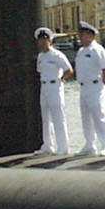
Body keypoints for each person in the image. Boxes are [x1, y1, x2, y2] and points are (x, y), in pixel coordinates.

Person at [73, 21, 105, 156]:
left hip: (95, 86)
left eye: (82, 34)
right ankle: (90, 144)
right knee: (86, 117)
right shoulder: (81, 51)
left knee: (99, 116)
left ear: (90, 35)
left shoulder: (98, 49)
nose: (80, 37)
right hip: (84, 86)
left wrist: (101, 84)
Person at [33, 27, 73, 156]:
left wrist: (60, 80)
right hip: (44, 87)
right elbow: (40, 71)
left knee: (58, 117)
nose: (43, 42)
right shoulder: (40, 56)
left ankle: (63, 147)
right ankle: (48, 145)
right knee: (45, 118)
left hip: (55, 87)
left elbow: (69, 70)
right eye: (40, 40)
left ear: (50, 41)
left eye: (45, 40)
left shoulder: (57, 55)